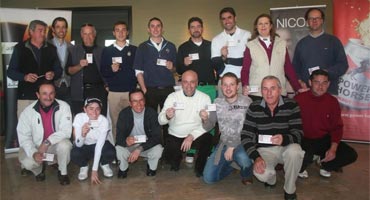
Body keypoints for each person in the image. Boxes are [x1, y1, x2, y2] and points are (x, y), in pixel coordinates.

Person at [241, 76, 304, 200]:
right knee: (262, 174)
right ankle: (271, 178)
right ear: (261, 91)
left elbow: (299, 133)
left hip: (286, 148)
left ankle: (290, 190)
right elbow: (245, 135)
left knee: (296, 151)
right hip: (264, 151)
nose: (269, 93)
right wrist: (256, 157)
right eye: (265, 89)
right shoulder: (254, 107)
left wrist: (284, 139)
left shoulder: (291, 105)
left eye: (273, 88)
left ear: (280, 90)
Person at [294, 69, 357, 178]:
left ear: (328, 84)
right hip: (304, 139)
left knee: (351, 154)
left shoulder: (332, 102)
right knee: (302, 161)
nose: (320, 86)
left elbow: (337, 128)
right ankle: (308, 161)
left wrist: (333, 149)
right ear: (310, 83)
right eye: (317, 82)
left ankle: (325, 165)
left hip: (322, 139)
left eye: (324, 83)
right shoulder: (299, 99)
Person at [177, 16, 217, 164]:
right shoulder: (183, 48)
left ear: (202, 28)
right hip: (192, 89)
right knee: (192, 118)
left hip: (210, 87)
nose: (196, 29)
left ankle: (208, 149)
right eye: (192, 27)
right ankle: (191, 150)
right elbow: (179, 70)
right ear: (189, 29)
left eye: (198, 26)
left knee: (209, 118)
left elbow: (217, 66)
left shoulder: (211, 45)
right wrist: (184, 64)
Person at [201, 72, 253, 185]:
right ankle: (232, 164)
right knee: (208, 178)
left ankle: (247, 174)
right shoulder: (216, 103)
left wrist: (233, 146)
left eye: (232, 84)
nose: (228, 88)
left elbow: (251, 129)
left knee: (244, 159)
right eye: (225, 85)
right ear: (221, 86)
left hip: (243, 142)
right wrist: (205, 119)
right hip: (224, 143)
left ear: (237, 86)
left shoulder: (247, 101)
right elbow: (209, 126)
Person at [158, 70, 212, 177]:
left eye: (192, 82)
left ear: (197, 83)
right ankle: (175, 159)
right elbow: (160, 120)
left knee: (208, 139)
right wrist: (167, 116)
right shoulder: (172, 97)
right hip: (176, 134)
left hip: (195, 134)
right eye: (185, 82)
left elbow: (209, 125)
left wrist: (193, 134)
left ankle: (199, 168)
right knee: (170, 162)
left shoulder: (205, 98)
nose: (189, 86)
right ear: (181, 83)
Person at [17, 81, 72, 185]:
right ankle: (38, 171)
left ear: (55, 94)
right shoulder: (27, 112)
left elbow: (66, 131)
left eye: (51, 93)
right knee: (28, 163)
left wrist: (47, 142)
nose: (48, 97)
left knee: (65, 145)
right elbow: (24, 137)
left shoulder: (64, 106)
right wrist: (34, 153)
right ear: (38, 95)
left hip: (53, 144)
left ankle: (63, 172)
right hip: (36, 146)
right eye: (44, 93)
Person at [241, 13, 302, 101]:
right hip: (257, 93)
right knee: (259, 115)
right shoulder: (250, 45)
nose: (263, 26)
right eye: (260, 24)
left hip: (278, 91)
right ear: (256, 27)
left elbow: (288, 68)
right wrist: (244, 85)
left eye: (266, 23)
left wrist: (297, 87)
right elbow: (245, 69)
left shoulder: (281, 44)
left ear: (270, 26)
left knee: (279, 115)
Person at [8, 20, 62, 117]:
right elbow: (10, 72)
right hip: (26, 95)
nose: (43, 34)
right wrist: (24, 77)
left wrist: (53, 74)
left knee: (47, 128)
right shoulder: (20, 48)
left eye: (44, 31)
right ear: (31, 32)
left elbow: (59, 70)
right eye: (40, 30)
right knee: (25, 128)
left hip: (47, 97)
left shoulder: (51, 48)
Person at [293, 7, 348, 95]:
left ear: (322, 21)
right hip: (307, 93)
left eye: (317, 18)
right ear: (307, 22)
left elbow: (343, 65)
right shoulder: (301, 44)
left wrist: (327, 72)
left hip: (329, 93)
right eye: (311, 18)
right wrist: (299, 81)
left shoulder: (333, 41)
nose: (314, 21)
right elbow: (295, 68)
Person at [100, 21, 137, 141]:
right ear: (113, 33)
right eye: (117, 30)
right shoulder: (107, 51)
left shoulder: (134, 50)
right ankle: (118, 147)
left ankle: (131, 148)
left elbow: (139, 71)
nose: (120, 32)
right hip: (114, 93)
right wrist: (111, 69)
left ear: (127, 32)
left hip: (130, 92)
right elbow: (103, 72)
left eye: (123, 30)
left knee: (132, 121)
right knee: (115, 122)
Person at [115, 89, 163, 178]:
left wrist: (139, 149)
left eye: (141, 100)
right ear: (130, 103)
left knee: (158, 149)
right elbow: (118, 137)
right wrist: (125, 141)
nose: (139, 104)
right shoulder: (124, 114)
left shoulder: (151, 113)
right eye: (135, 101)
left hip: (145, 145)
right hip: (130, 145)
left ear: (145, 101)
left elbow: (157, 137)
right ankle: (123, 168)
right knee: (118, 148)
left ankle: (151, 167)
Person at [133, 17, 176, 112]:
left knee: (169, 119)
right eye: (152, 26)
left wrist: (172, 67)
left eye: (158, 26)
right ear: (148, 30)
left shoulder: (171, 46)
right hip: (150, 90)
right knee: (151, 120)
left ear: (162, 29)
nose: (155, 29)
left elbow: (175, 70)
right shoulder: (142, 47)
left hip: (168, 89)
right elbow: (138, 72)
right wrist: (145, 91)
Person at [71, 97, 116, 184]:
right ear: (85, 109)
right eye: (91, 109)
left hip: (98, 144)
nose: (94, 113)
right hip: (84, 145)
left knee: (111, 152)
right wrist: (83, 135)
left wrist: (94, 170)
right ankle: (84, 166)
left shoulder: (103, 121)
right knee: (74, 153)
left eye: (97, 109)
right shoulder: (79, 118)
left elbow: (99, 146)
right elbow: (78, 144)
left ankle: (104, 163)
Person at [66, 23, 107, 116]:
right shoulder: (73, 50)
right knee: (80, 122)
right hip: (79, 93)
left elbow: (107, 71)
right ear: (81, 35)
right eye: (85, 34)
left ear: (95, 34)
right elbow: (68, 71)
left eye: (90, 33)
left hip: (99, 91)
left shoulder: (103, 51)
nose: (88, 37)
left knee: (99, 120)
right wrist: (79, 66)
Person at [211, 7, 251, 96]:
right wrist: (223, 57)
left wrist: (228, 61)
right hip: (224, 83)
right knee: (222, 109)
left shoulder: (246, 35)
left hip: (242, 82)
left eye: (229, 17)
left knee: (245, 109)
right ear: (221, 21)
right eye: (223, 19)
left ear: (235, 18)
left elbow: (250, 60)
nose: (227, 21)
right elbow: (215, 65)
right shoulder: (216, 39)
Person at [49, 17, 72, 103]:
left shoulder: (72, 47)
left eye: (63, 27)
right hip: (52, 86)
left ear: (66, 29)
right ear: (53, 29)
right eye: (58, 27)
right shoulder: (46, 46)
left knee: (68, 113)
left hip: (68, 87)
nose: (61, 30)